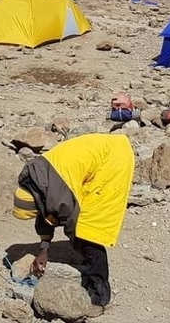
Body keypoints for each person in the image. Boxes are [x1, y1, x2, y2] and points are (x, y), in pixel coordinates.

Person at [13, 134, 134, 316]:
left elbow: (71, 220)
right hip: (97, 153)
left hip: (113, 159)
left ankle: (99, 297)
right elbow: (45, 214)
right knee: (81, 231)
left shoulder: (57, 194)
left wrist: (81, 246)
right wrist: (44, 248)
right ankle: (87, 267)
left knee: (89, 231)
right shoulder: (34, 182)